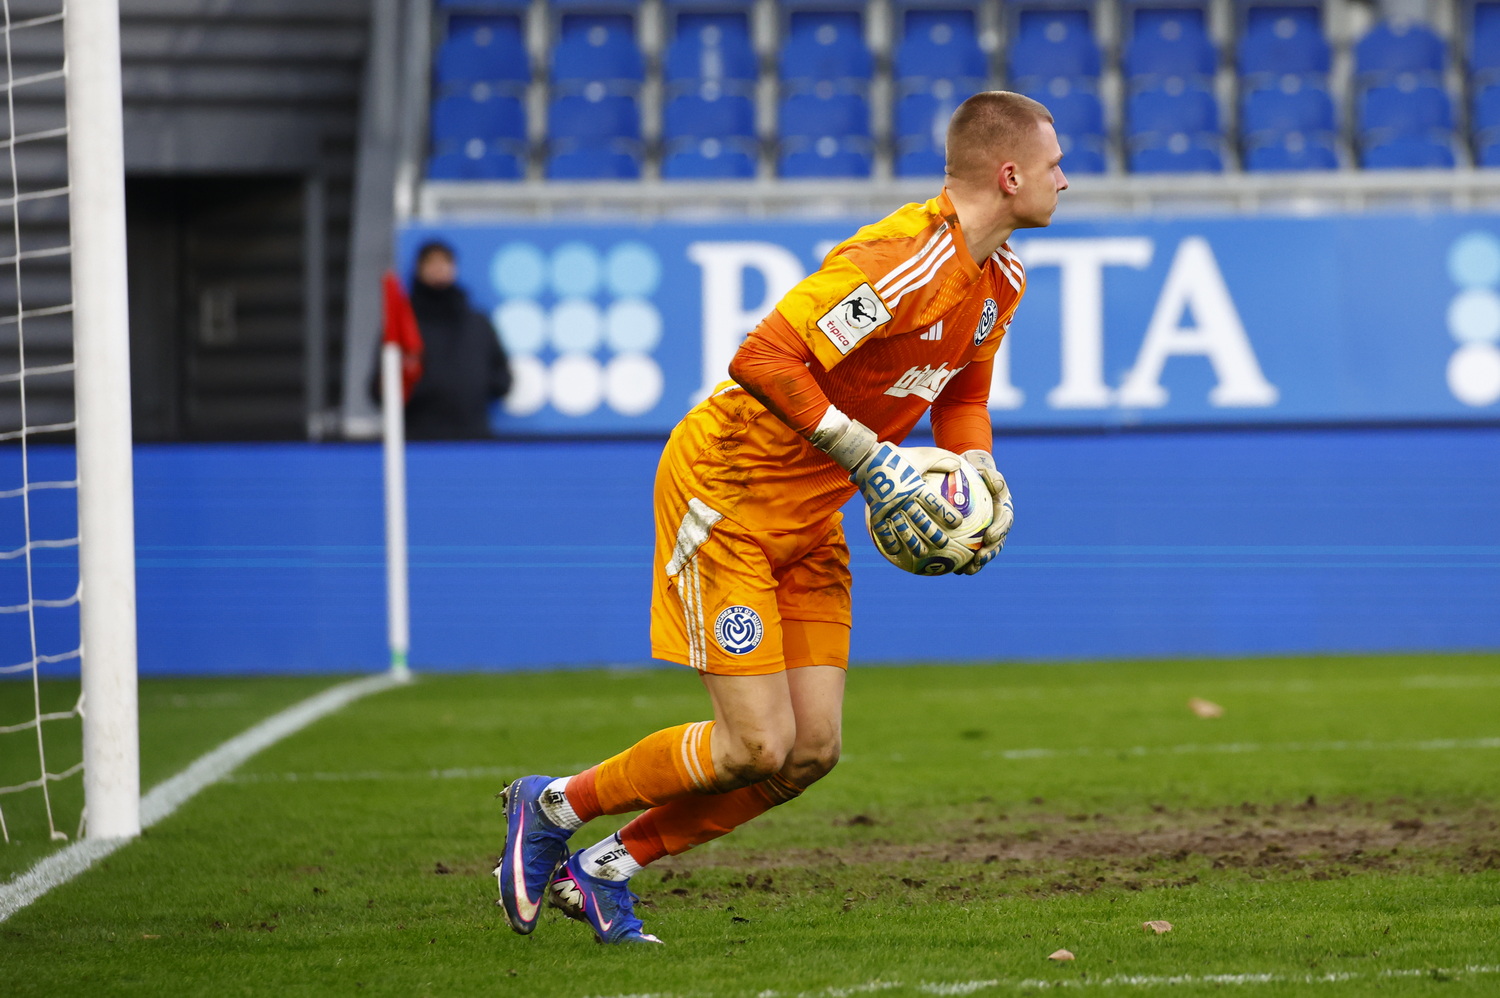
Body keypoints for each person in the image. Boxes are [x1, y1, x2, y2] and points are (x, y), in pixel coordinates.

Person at [496, 91, 1066, 944]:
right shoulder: (901, 259)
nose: (1067, 179)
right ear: (1011, 174)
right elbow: (761, 356)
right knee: (753, 747)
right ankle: (551, 806)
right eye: (1057, 164)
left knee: (809, 752)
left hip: (813, 511)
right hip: (727, 491)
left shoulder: (1002, 279)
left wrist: (976, 471)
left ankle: (604, 868)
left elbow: (962, 394)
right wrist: (868, 454)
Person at [379, 241, 511, 439]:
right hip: (418, 438)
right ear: (419, 268)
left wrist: (471, 391)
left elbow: (502, 378)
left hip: (472, 436)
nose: (439, 268)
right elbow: (380, 385)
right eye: (431, 262)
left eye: (445, 262)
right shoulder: (404, 325)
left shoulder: (478, 322)